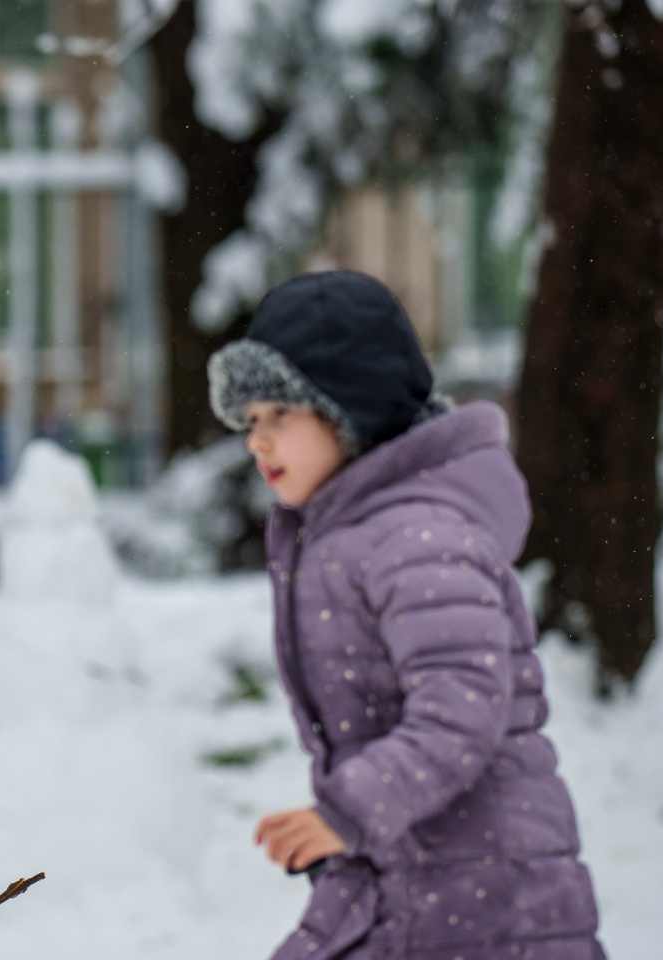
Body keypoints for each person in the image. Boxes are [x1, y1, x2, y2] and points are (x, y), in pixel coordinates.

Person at [208, 271, 605, 960]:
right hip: (412, 872)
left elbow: (462, 705)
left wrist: (348, 810)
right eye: (249, 422)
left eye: (280, 415)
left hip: (485, 892)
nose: (258, 442)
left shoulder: (417, 539)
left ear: (350, 411)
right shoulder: (356, 532)